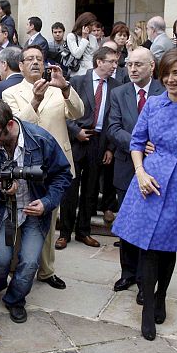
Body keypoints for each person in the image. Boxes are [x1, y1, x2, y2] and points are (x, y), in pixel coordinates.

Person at [113, 47, 177, 341]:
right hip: (150, 181)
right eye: (166, 74)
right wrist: (140, 172)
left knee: (169, 246)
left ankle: (162, 295)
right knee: (149, 246)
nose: (170, 79)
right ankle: (146, 308)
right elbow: (137, 142)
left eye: (176, 73)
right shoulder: (153, 104)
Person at [0, 99, 72, 322]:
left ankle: (15, 299)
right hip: (2, 210)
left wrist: (47, 202)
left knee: (28, 262)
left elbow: (63, 176)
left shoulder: (41, 139)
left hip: (34, 209)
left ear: (9, 124)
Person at [2, 45, 84, 290]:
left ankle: (47, 271)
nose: (36, 62)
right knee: (22, 214)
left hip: (55, 165)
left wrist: (66, 87)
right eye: (30, 59)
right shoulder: (11, 93)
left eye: (39, 58)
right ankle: (16, 268)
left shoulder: (58, 89)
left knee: (50, 218)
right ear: (21, 65)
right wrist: (36, 100)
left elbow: (79, 112)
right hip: (25, 164)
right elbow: (15, 124)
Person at [107, 47, 164, 297]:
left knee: (147, 227)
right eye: (129, 64)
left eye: (138, 65)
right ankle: (127, 273)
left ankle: (145, 280)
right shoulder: (119, 93)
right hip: (126, 168)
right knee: (127, 224)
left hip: (156, 169)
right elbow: (114, 127)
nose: (132, 69)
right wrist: (138, 143)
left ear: (152, 66)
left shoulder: (164, 91)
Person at [60, 46, 120, 249]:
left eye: (115, 62)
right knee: (70, 188)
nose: (115, 66)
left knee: (91, 189)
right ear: (99, 62)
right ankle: (65, 233)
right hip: (77, 140)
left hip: (100, 142)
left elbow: (115, 119)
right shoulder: (77, 81)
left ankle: (83, 231)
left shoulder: (116, 86)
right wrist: (75, 131)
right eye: (111, 61)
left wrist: (110, 148)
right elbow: (62, 110)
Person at [65, 12, 99, 77]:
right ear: (84, 25)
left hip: (92, 71)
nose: (92, 28)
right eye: (91, 25)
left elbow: (96, 54)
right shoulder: (71, 36)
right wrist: (84, 38)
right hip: (78, 73)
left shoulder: (93, 38)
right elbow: (77, 54)